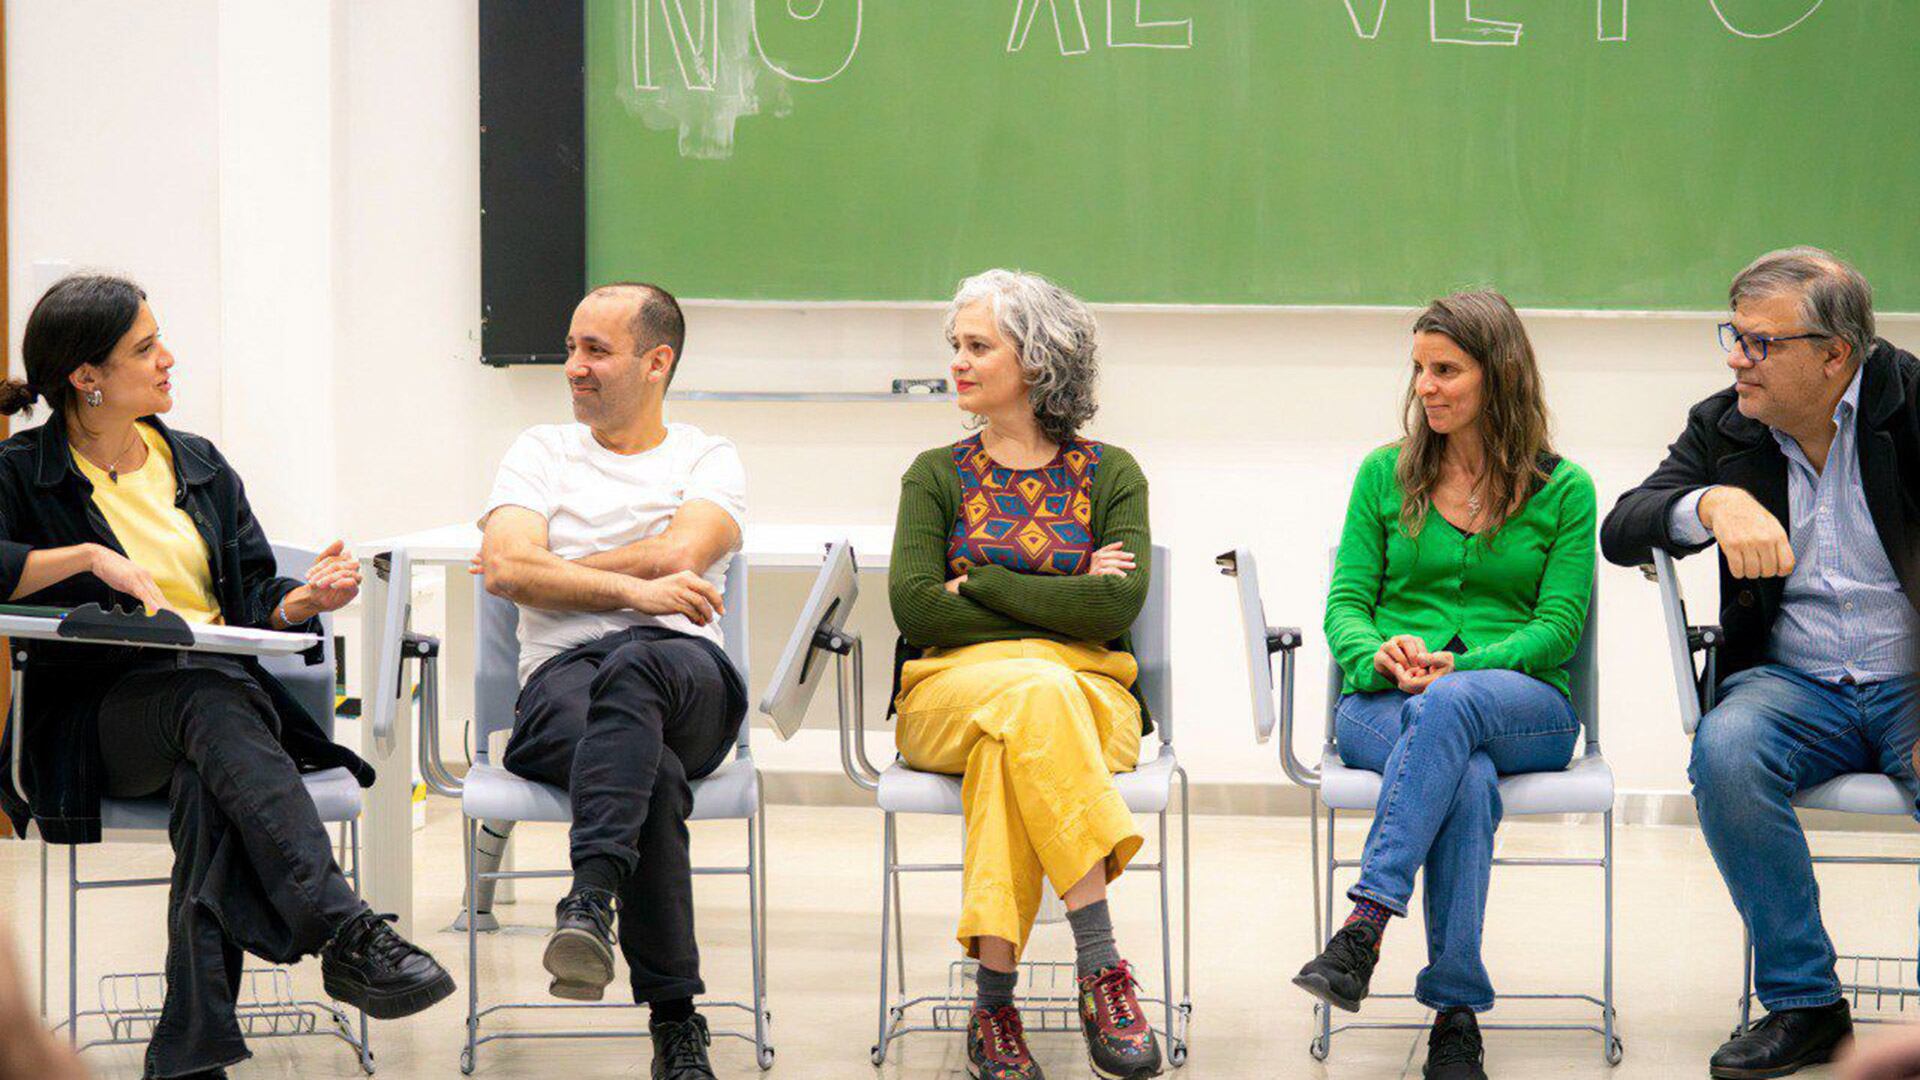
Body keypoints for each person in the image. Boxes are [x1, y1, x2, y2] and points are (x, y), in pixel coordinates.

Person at [0, 275, 453, 1080]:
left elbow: (250, 597)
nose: (168, 359)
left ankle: (189, 1057)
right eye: (145, 348)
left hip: (217, 717)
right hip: (98, 721)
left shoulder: (198, 463)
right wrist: (87, 557)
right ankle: (343, 929)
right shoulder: (20, 471)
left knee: (212, 786)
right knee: (208, 699)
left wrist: (301, 600)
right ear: (85, 376)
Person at [1602, 247, 1920, 1079]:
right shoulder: (1726, 425)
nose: (1735, 358)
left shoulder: (1915, 406)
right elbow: (1623, 526)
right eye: (1732, 336)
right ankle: (1806, 1005)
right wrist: (1709, 499)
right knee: (1725, 750)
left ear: (1835, 354)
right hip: (1791, 685)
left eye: (1758, 343)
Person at [1292, 290, 1597, 1080]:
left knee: (1451, 706)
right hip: (1384, 704)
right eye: (1419, 369)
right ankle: (1455, 1013)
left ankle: (1364, 923)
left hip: (1521, 706)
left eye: (1446, 370)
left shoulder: (1565, 490)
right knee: (1460, 773)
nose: (1425, 386)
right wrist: (1378, 655)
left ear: (1497, 376)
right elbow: (1347, 605)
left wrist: (1463, 665)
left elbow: (1558, 629)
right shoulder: (1381, 476)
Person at [887, 268, 1160, 1080]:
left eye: (978, 347)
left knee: (1017, 742)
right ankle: (1102, 968)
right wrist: (1066, 593)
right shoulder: (935, 473)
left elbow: (1117, 612)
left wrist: (989, 579)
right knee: (1032, 697)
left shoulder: (1113, 474)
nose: (958, 363)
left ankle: (994, 1004)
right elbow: (916, 612)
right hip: (947, 693)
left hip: (1088, 692)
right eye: (955, 347)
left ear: (1035, 362)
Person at [477, 281, 747, 1080]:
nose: (573, 368)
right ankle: (674, 1021)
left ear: (656, 361)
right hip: (561, 684)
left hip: (685, 673)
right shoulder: (538, 450)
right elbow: (505, 569)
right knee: (650, 769)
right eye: (570, 348)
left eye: (595, 350)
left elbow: (677, 556)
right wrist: (631, 589)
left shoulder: (708, 455)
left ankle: (589, 896)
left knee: (637, 663)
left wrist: (546, 570)